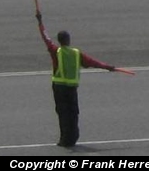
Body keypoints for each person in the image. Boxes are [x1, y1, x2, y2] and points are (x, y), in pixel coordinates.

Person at [37, 10, 118, 148]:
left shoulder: (55, 51)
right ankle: (72, 137)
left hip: (58, 88)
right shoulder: (76, 53)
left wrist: (40, 21)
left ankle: (64, 140)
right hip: (71, 88)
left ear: (59, 41)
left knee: (63, 113)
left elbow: (46, 38)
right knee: (73, 113)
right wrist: (108, 67)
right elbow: (93, 62)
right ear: (68, 40)